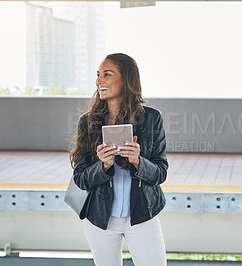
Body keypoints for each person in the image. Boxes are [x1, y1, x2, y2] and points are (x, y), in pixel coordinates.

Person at [69, 53, 168, 266]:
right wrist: (103, 165)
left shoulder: (152, 118)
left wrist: (137, 161)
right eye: (98, 75)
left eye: (107, 74)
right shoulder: (88, 122)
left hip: (143, 216)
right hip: (100, 220)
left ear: (126, 79)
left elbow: (160, 172)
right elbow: (81, 179)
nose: (99, 81)